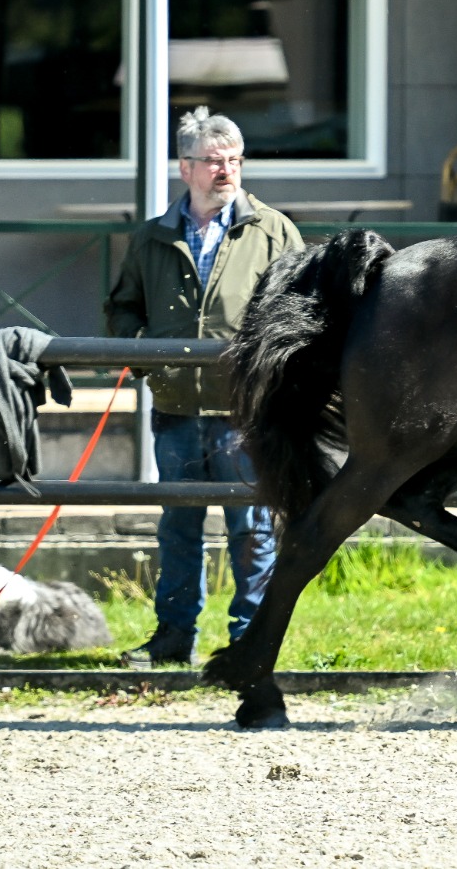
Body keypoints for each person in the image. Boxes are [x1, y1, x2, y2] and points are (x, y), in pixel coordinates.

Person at [104, 107, 304, 667]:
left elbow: (303, 311)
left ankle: (251, 642)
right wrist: (146, 360)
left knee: (251, 531)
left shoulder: (275, 231)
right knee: (178, 528)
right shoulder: (152, 237)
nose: (226, 170)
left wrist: (274, 373)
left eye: (234, 160)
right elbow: (122, 307)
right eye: (214, 161)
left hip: (246, 412)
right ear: (185, 167)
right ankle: (173, 639)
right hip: (176, 410)